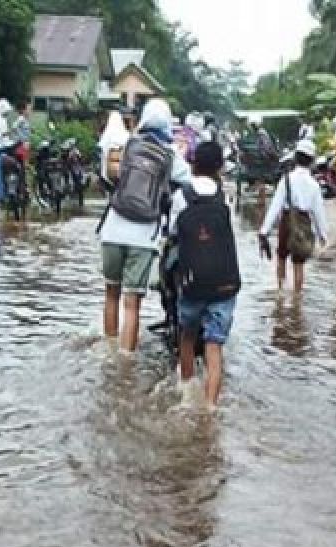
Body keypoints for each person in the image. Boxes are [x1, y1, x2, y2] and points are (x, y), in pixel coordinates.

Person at [98, 97, 192, 354]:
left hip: (112, 230)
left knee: (111, 294)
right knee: (132, 305)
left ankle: (108, 352)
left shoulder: (127, 145)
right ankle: (126, 361)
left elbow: (108, 177)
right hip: (143, 235)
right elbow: (191, 185)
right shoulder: (170, 156)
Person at [170, 141, 239, 411]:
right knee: (214, 345)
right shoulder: (225, 197)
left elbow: (173, 232)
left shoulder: (182, 196)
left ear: (193, 163)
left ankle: (187, 393)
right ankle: (210, 408)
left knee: (187, 334)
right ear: (220, 167)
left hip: (192, 281)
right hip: (224, 281)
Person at [257, 139, 329, 294]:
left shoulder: (286, 180)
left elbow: (275, 206)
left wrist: (264, 230)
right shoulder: (314, 185)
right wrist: (323, 234)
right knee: (299, 263)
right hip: (303, 224)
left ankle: (280, 293)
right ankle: (297, 300)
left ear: (295, 158)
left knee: (281, 257)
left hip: (286, 222)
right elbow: (318, 212)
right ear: (311, 161)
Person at [98, 109, 130, 184]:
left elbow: (102, 150)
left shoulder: (106, 136)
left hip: (109, 172)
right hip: (124, 172)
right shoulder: (127, 135)